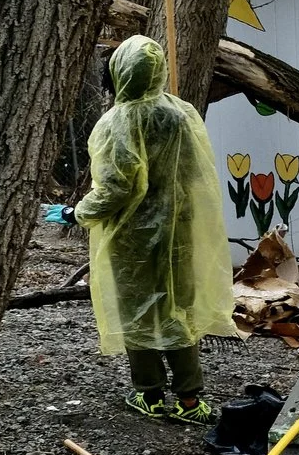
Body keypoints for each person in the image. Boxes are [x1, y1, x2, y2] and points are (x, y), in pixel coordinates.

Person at [75, 35, 241, 422]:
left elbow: (116, 188)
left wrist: (78, 212)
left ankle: (149, 394)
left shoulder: (115, 124)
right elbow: (196, 176)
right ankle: (189, 401)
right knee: (176, 310)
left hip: (130, 236)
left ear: (120, 72)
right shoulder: (180, 115)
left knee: (138, 313)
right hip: (179, 232)